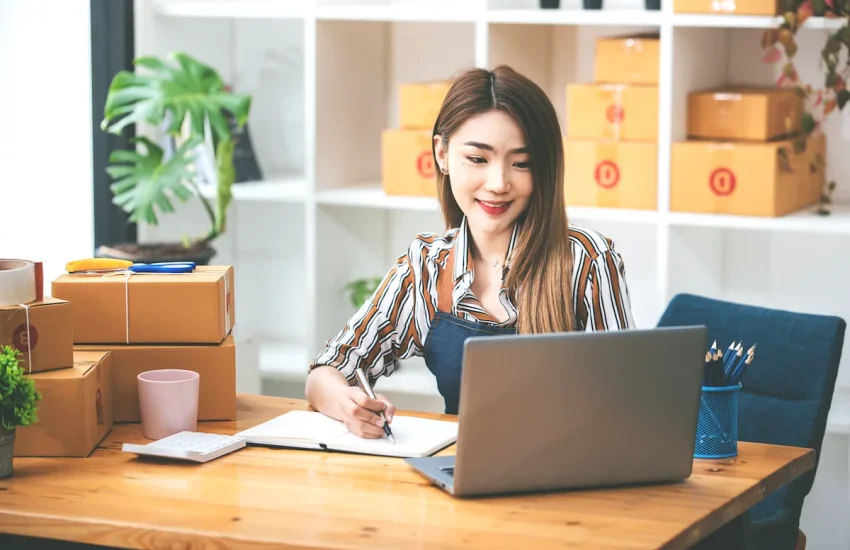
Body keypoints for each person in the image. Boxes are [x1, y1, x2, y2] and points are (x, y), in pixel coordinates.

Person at [305, 65, 635, 438]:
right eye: (478, 159)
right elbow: (328, 370)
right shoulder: (427, 266)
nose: (498, 183)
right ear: (442, 154)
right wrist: (348, 405)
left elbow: (625, 405)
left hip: (567, 480)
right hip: (458, 474)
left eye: (521, 163)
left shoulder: (586, 261)